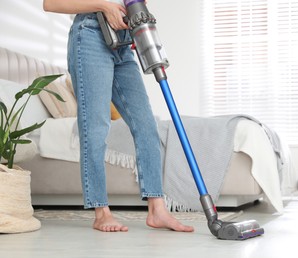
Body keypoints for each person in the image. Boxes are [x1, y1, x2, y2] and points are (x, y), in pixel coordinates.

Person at [43, 0, 194, 233]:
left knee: (146, 125)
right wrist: (104, 5)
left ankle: (157, 209)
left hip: (124, 38)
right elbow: (51, 3)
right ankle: (101, 212)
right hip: (90, 34)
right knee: (96, 127)